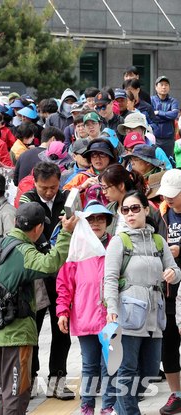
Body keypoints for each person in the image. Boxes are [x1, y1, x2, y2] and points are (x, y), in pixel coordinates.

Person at [0, 202, 77, 415]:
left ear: (15, 221)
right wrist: (66, 233)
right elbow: (50, 263)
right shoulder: (24, 251)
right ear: (38, 228)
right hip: (18, 333)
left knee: (6, 392)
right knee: (18, 393)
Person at [104, 190, 181, 414]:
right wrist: (111, 308)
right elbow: (108, 278)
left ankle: (122, 407)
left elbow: (175, 269)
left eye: (135, 208)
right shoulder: (119, 241)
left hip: (155, 317)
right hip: (127, 315)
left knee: (148, 370)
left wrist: (171, 274)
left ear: (146, 211)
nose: (130, 214)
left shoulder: (159, 241)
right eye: (125, 210)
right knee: (126, 370)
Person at [18, 162, 74, 400]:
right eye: (44, 188)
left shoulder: (68, 198)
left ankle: (58, 380)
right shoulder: (27, 200)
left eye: (53, 187)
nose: (49, 192)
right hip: (37, 275)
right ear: (35, 182)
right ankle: (29, 380)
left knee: (62, 330)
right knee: (33, 329)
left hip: (63, 276)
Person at [56, 201, 116, 415]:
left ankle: (108, 406)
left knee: (110, 364)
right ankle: (87, 406)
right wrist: (62, 311)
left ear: (108, 222)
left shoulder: (116, 246)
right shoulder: (76, 249)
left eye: (100, 219)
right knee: (90, 365)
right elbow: (64, 284)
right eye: (90, 219)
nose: (96, 223)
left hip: (111, 317)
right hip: (85, 317)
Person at [152, 170, 181, 414]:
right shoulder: (160, 213)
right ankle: (177, 394)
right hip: (168, 290)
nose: (169, 199)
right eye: (166, 195)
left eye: (174, 195)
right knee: (168, 344)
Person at [151, 75, 179, 161]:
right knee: (155, 162)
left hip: (169, 139)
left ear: (169, 87)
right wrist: (167, 116)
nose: (164, 87)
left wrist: (159, 113)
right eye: (161, 84)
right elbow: (151, 116)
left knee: (169, 162)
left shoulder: (173, 101)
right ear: (156, 87)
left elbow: (174, 114)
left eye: (166, 85)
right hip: (155, 138)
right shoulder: (151, 100)